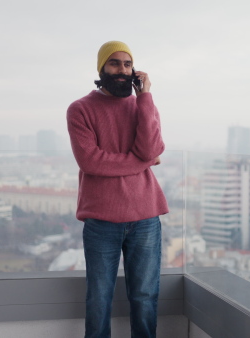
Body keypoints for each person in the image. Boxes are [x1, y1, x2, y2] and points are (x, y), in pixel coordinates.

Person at [66, 40, 169, 338]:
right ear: (101, 68)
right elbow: (92, 162)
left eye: (127, 64)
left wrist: (146, 96)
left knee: (146, 297)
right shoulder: (80, 109)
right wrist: (143, 162)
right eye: (114, 63)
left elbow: (151, 147)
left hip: (146, 217)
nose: (122, 70)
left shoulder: (143, 106)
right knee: (99, 299)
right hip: (101, 220)